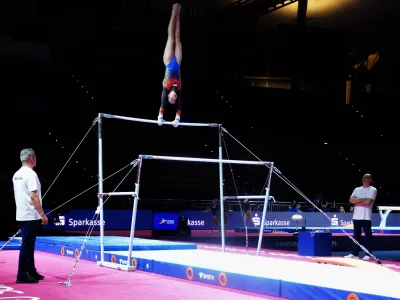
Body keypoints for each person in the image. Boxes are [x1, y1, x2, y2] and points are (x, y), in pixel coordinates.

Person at [12, 148, 48, 283]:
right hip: (30, 215)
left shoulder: (16, 174)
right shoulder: (31, 174)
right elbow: (33, 196)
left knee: (29, 244)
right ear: (32, 158)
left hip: (21, 213)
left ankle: (31, 270)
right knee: (27, 245)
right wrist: (42, 215)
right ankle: (21, 274)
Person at [158, 3, 183, 128]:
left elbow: (163, 104)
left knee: (171, 37)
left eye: (171, 99)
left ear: (168, 96)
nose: (173, 99)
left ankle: (174, 11)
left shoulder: (165, 87)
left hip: (168, 61)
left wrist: (160, 117)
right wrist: (177, 119)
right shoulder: (178, 88)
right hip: (177, 62)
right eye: (174, 100)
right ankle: (178, 14)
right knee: (177, 38)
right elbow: (179, 106)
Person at [345, 173, 377, 261]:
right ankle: (355, 253)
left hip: (366, 216)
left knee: (367, 236)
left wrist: (357, 201)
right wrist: (363, 199)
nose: (364, 179)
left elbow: (368, 203)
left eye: (366, 178)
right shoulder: (357, 189)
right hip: (356, 216)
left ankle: (368, 254)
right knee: (356, 236)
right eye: (363, 177)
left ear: (370, 179)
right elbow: (351, 200)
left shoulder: (373, 189)